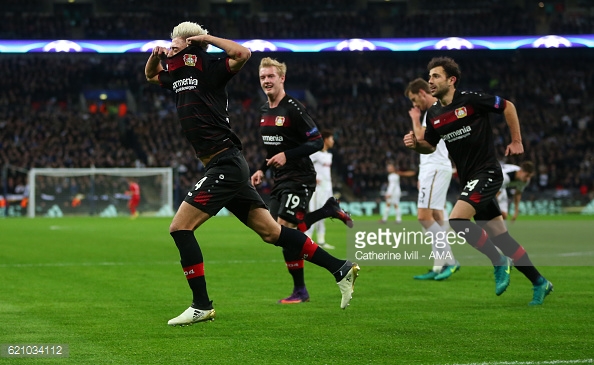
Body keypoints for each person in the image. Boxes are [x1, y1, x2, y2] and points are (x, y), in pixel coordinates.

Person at [145, 21, 360, 326]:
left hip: (225, 164)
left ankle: (201, 305)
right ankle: (340, 268)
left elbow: (243, 53)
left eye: (176, 45)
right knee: (272, 233)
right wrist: (156, 55)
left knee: (180, 228)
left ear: (191, 45)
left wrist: (205, 38)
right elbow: (151, 75)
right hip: (223, 164)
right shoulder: (179, 74)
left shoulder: (209, 67)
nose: (171, 50)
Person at [403, 56, 552, 305]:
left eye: (436, 76)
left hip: (488, 173)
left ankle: (498, 261)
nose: (430, 81)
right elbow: (430, 146)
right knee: (501, 236)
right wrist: (415, 145)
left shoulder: (471, 100)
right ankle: (540, 282)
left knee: (457, 220)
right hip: (469, 179)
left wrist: (516, 140)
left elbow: (508, 106)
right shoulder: (435, 114)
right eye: (429, 77)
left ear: (452, 80)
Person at [251, 57, 353, 305]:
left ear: (282, 78)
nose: (266, 80)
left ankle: (338, 269)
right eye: (263, 76)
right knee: (275, 233)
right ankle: (302, 290)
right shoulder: (265, 111)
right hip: (280, 179)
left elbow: (317, 141)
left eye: (271, 76)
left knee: (285, 226)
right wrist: (262, 168)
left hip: (300, 177)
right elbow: (272, 148)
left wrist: (288, 155)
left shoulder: (293, 108)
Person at [405, 78, 460, 281]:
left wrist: (415, 118)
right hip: (430, 169)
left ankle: (450, 261)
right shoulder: (433, 112)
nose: (414, 105)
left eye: (414, 99)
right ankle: (439, 266)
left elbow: (421, 138)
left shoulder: (434, 110)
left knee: (423, 217)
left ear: (422, 92)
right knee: (436, 217)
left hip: (435, 168)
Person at [305, 129, 337, 251]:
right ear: (325, 140)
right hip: (317, 189)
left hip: (327, 189)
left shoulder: (329, 155)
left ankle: (321, 241)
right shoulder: (315, 154)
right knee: (314, 213)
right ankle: (307, 240)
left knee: (324, 214)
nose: (333, 141)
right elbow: (306, 165)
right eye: (331, 139)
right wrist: (314, 177)